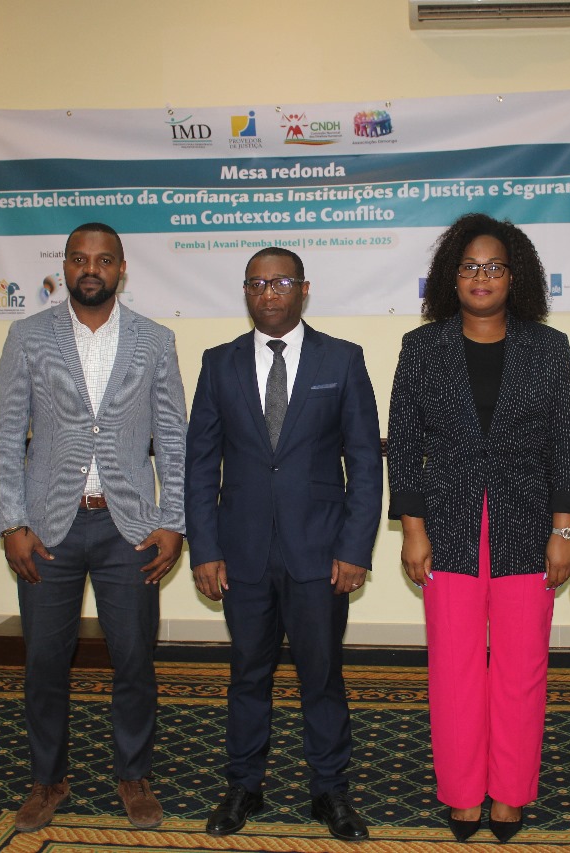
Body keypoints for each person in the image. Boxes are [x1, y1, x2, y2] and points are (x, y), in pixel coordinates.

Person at [386, 213, 570, 843]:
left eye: (495, 266)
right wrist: (412, 530)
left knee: (521, 671)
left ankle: (510, 793)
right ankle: (463, 793)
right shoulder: (422, 348)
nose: (482, 277)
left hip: (528, 526)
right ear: (452, 276)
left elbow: (567, 443)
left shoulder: (548, 348)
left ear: (514, 276)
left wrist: (564, 532)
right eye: (470, 266)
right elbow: (405, 444)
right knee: (455, 670)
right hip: (446, 528)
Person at [0, 222, 187, 833]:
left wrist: (173, 520)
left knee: (134, 660)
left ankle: (133, 775)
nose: (91, 269)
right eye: (79, 259)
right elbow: (6, 435)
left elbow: (173, 438)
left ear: (122, 268)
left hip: (131, 530)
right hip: (48, 529)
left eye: (103, 260)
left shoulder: (155, 340)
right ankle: (47, 779)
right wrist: (12, 521)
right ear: (66, 267)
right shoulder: (27, 337)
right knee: (45, 663)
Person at [185, 247, 383, 842]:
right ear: (245, 292)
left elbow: (364, 462)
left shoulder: (342, 359)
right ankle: (243, 784)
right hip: (241, 552)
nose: (268, 293)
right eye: (256, 283)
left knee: (322, 676)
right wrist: (204, 549)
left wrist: (355, 548)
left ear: (304, 289)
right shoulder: (218, 363)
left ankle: (330, 790)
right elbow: (201, 464)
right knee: (248, 675)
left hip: (320, 554)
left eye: (281, 282)